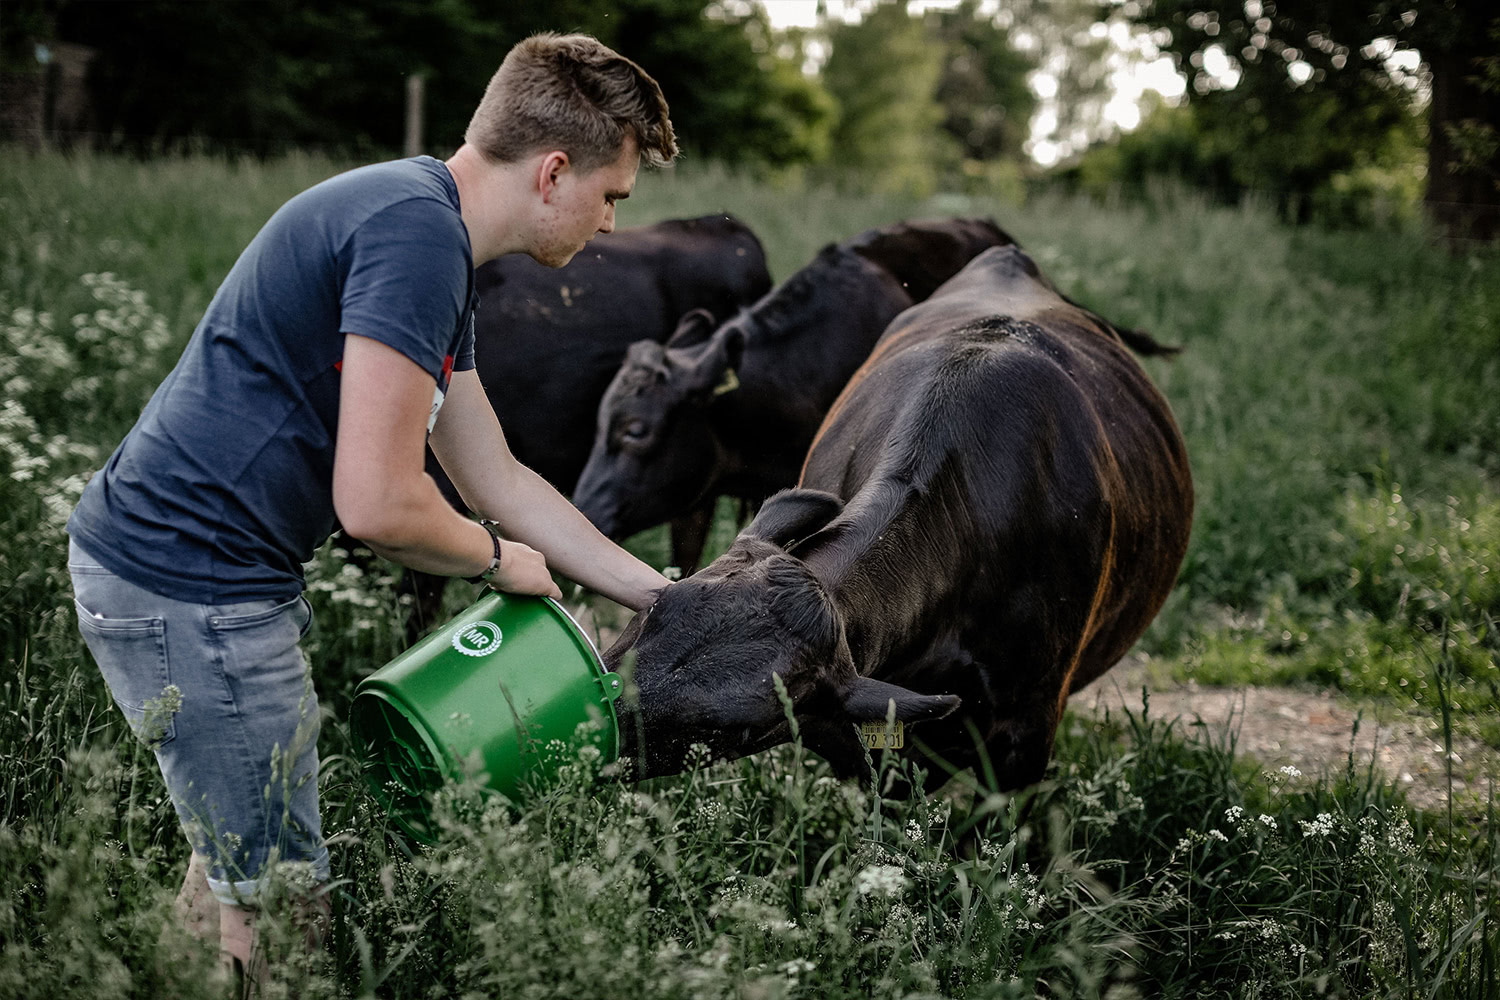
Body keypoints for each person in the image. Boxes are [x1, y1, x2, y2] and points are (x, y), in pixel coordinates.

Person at [65, 32, 678, 988]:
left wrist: (662, 597)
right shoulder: (417, 237)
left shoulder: (428, 226)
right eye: (612, 196)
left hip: (196, 578)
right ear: (555, 172)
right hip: (190, 588)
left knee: (235, 859)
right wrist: (495, 561)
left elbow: (497, 477)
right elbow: (379, 504)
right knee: (285, 914)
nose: (610, 225)